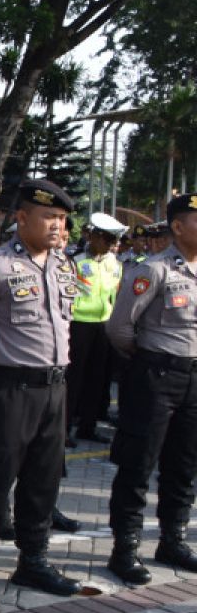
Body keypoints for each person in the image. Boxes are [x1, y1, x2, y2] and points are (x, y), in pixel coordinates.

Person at [0, 179, 83, 613]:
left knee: (43, 482)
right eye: (49, 217)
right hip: (10, 388)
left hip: (54, 389)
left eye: (63, 219)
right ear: (22, 218)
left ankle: (33, 561)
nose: (58, 227)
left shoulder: (64, 265)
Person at [105, 193, 197, 585]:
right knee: (138, 463)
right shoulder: (154, 270)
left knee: (184, 465)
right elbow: (120, 327)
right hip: (156, 375)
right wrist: (147, 360)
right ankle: (124, 549)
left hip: (194, 380)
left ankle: (172, 540)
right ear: (178, 227)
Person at [66, 212, 125, 445]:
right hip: (78, 324)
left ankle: (88, 427)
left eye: (114, 241)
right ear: (95, 237)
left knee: (98, 379)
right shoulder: (76, 262)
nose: (112, 246)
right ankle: (65, 428)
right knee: (73, 380)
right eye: (108, 240)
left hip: (104, 325)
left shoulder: (114, 263)